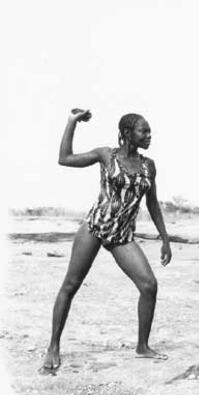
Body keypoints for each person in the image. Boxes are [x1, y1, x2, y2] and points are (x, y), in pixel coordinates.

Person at [43, 109, 172, 371]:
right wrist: (72, 122)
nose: (149, 136)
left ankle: (142, 346)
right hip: (95, 227)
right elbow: (64, 159)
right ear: (127, 133)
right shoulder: (106, 155)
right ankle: (53, 347)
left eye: (149, 131)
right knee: (71, 285)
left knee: (149, 285)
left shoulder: (149, 166)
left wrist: (165, 238)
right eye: (143, 131)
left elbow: (153, 203)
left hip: (122, 235)